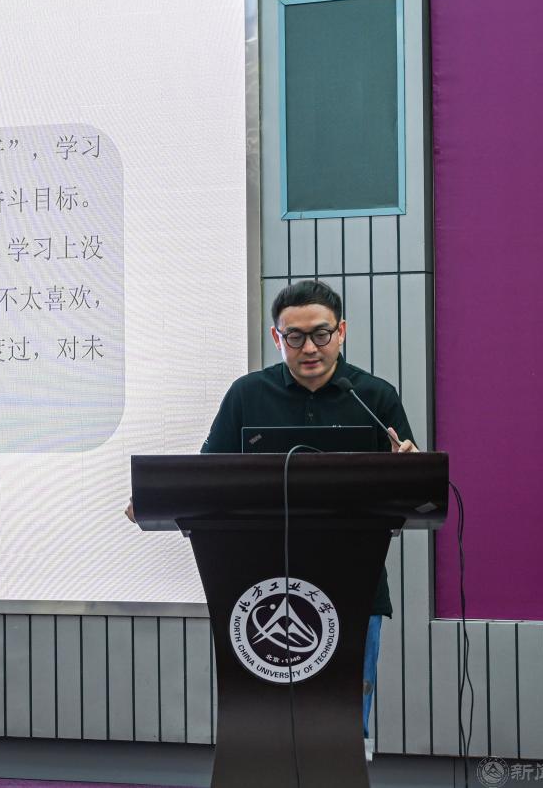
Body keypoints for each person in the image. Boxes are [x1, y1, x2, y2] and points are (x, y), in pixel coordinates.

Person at [126, 279, 417, 758]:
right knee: (264, 731)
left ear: (342, 332)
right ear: (276, 337)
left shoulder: (374, 396)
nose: (310, 348)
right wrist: (160, 497)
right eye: (294, 336)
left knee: (341, 730)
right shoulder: (247, 395)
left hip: (356, 585)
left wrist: (409, 469)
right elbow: (207, 476)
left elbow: (407, 489)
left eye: (321, 334)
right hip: (256, 587)